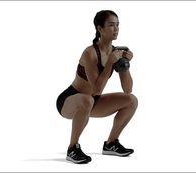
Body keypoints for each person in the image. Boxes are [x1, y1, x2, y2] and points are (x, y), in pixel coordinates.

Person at [56, 10, 138, 164]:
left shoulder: (116, 53)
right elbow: (96, 89)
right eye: (111, 25)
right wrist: (109, 64)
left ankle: (111, 144)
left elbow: (128, 89)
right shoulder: (90, 53)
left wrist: (125, 65)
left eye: (118, 25)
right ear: (100, 29)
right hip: (70, 101)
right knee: (87, 99)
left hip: (92, 101)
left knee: (131, 100)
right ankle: (72, 148)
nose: (116, 29)